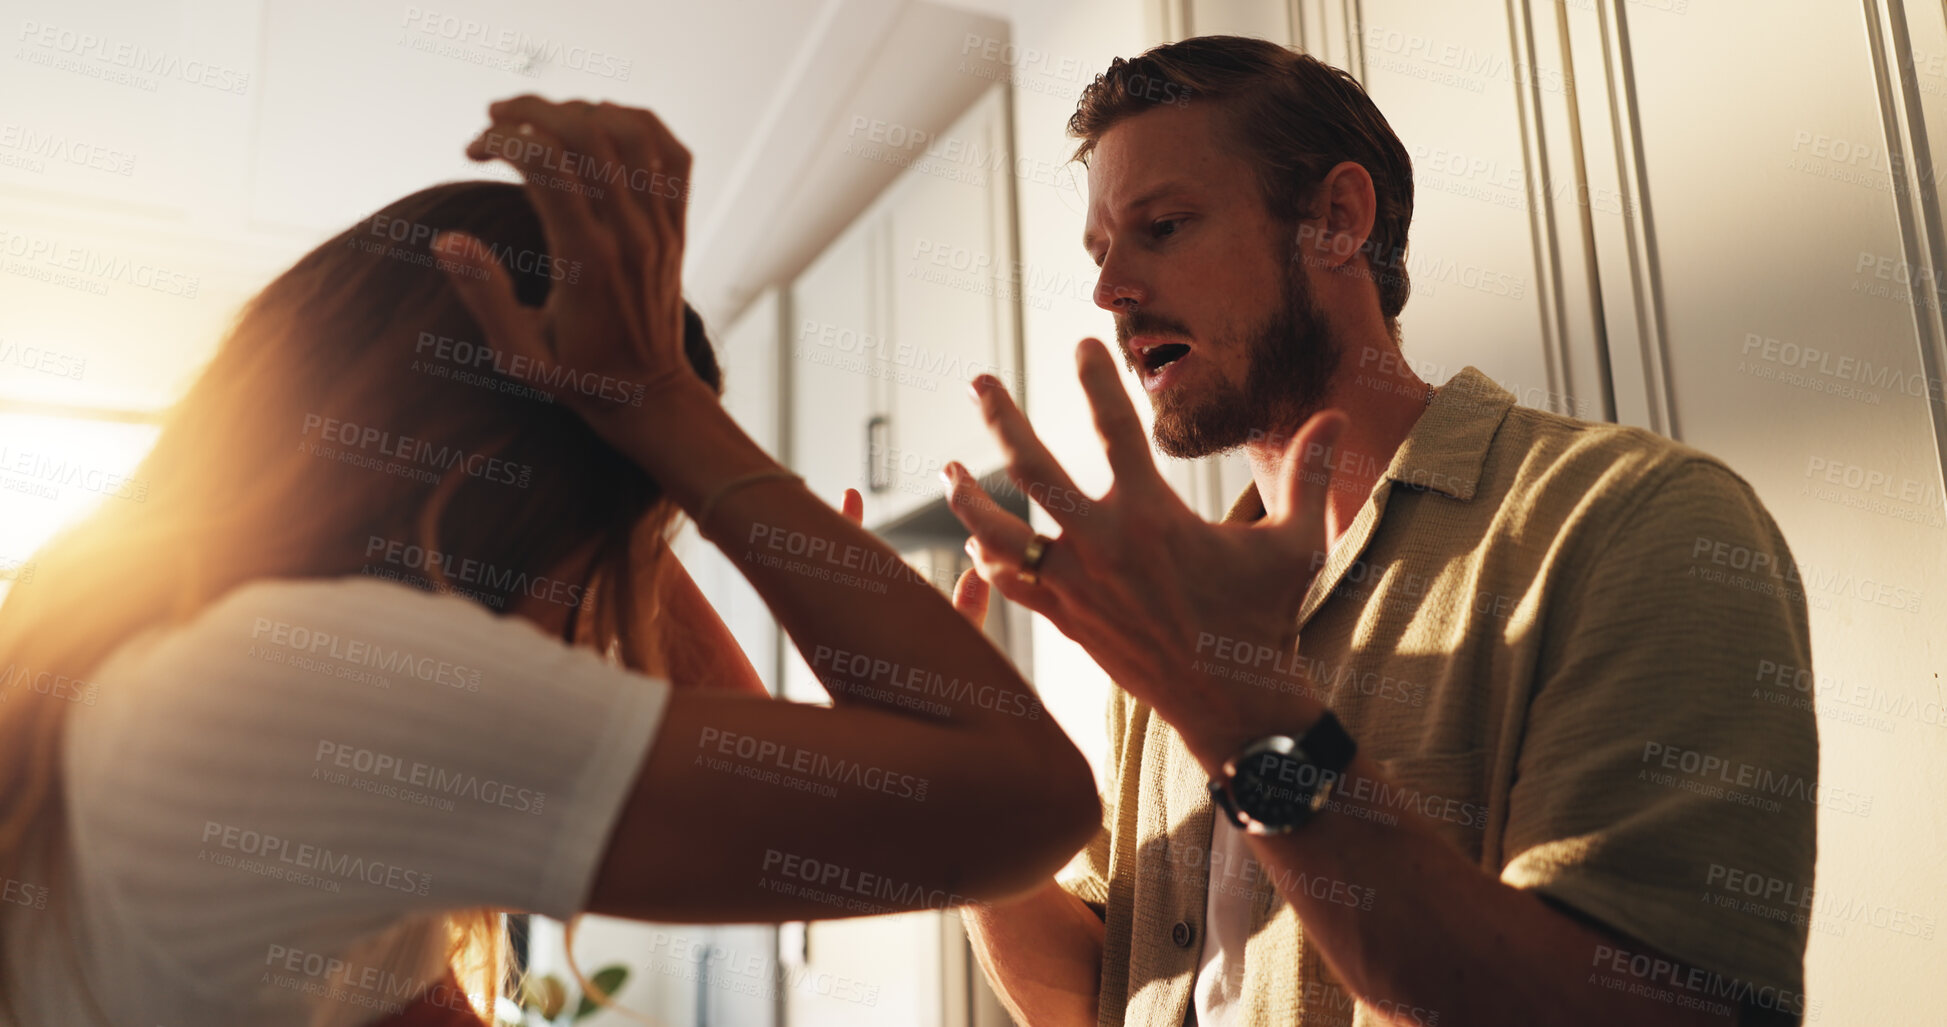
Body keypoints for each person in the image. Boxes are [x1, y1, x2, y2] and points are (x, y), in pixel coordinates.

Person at [0, 98, 1099, 1026]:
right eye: (635, 545)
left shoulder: (206, 672)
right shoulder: (318, 690)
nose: (625, 608)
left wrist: (632, 458)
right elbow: (1026, 802)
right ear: (494, 486)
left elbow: (771, 786)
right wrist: (659, 413)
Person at [950, 36, 1818, 1027]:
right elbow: (1105, 991)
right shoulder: (1180, 611)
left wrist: (1248, 717)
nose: (1111, 290)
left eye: (1164, 226)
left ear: (1335, 221)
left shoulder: (1629, 523)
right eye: (1102, 251)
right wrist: (943, 802)